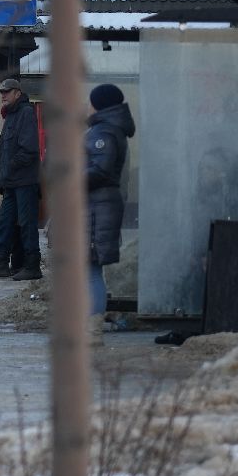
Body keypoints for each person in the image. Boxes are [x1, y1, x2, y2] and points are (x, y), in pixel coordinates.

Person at [0, 78, 42, 281]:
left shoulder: (25, 113)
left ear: (17, 93)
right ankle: (0, 264)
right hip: (11, 183)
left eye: (7, 92)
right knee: (5, 222)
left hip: (24, 182)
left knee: (26, 224)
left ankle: (32, 266)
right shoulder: (10, 117)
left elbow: (30, 151)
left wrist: (6, 170)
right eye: (1, 93)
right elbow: (4, 154)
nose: (3, 95)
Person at [86, 83, 134, 338]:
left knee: (90, 268)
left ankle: (92, 324)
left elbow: (101, 170)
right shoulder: (109, 129)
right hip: (99, 206)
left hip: (97, 208)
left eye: (90, 101)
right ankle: (90, 321)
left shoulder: (103, 131)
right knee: (89, 268)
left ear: (100, 104)